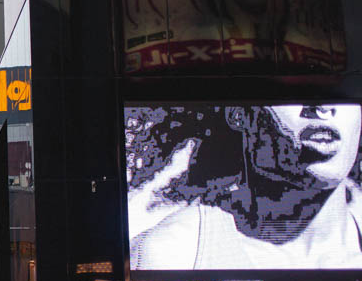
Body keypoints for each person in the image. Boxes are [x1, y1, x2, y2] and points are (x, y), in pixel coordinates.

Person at [129, 104, 362, 270]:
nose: (322, 107)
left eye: (339, 92)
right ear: (239, 114)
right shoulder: (174, 253)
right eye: (293, 92)